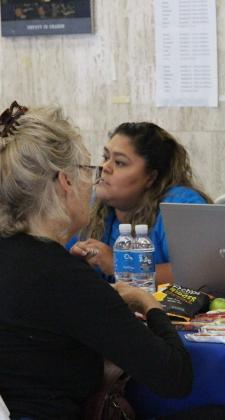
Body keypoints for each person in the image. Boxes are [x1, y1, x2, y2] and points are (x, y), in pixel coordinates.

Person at [0, 102, 193, 418]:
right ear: (65, 182)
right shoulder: (61, 274)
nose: (95, 180)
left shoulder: (23, 259)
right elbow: (175, 376)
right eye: (90, 170)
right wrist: (149, 304)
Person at [68, 122, 211, 285]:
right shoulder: (92, 204)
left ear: (150, 177)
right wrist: (75, 261)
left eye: (119, 162)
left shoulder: (181, 205)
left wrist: (121, 266)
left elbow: (203, 275)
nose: (104, 167)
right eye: (106, 158)